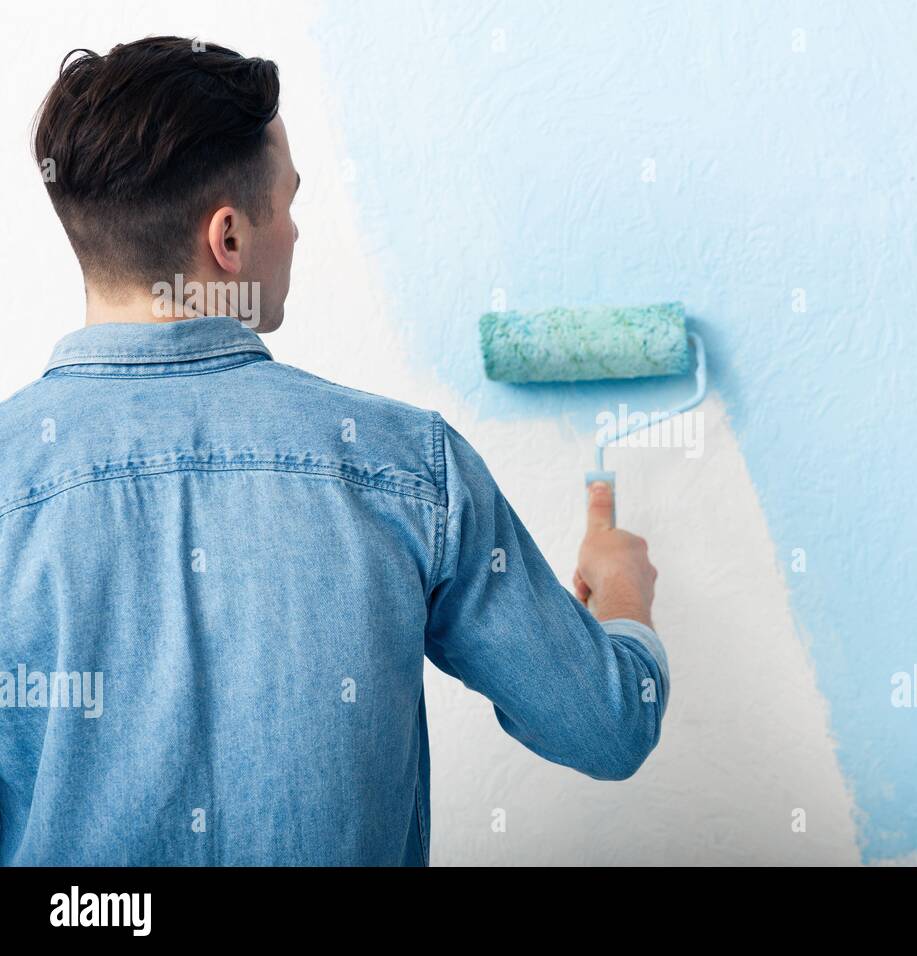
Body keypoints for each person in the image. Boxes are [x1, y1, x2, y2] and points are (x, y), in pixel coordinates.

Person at [0, 36, 668, 866]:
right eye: (288, 202)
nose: (298, 231)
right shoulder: (407, 466)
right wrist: (625, 605)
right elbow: (606, 726)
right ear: (229, 239)